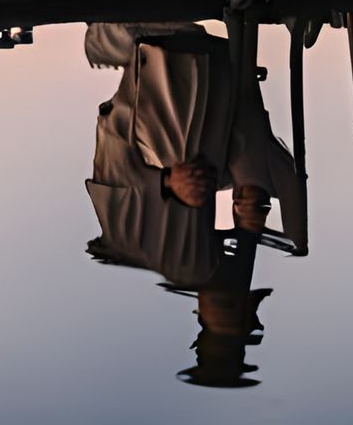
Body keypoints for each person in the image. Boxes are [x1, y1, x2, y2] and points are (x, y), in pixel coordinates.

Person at [83, 20, 302, 387]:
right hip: (213, 42)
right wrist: (253, 197)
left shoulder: (138, 242)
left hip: (136, 32)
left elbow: (109, 141)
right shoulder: (235, 176)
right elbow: (261, 138)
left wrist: (166, 183)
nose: (237, 291)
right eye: (242, 302)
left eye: (227, 306)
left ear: (201, 312)